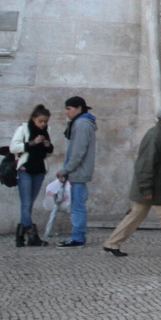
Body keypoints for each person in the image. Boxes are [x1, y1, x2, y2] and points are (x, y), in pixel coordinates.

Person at [102, 102, 161, 257]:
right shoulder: (155, 136)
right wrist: (146, 188)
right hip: (151, 188)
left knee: (136, 215)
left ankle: (111, 242)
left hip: (157, 187)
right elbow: (145, 164)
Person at [55, 96, 97, 248]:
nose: (66, 112)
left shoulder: (81, 124)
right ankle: (77, 235)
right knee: (76, 204)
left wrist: (65, 170)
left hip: (78, 172)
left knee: (77, 206)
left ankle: (78, 237)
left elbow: (78, 152)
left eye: (69, 108)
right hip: (77, 172)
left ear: (79, 108)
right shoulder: (82, 123)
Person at [9, 104, 54, 247]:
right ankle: (33, 236)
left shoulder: (47, 131)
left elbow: (49, 152)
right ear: (34, 119)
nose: (43, 124)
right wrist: (32, 143)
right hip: (25, 170)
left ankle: (20, 236)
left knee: (29, 204)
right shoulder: (24, 129)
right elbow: (13, 147)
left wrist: (47, 145)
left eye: (45, 121)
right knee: (26, 203)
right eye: (40, 121)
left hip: (39, 170)